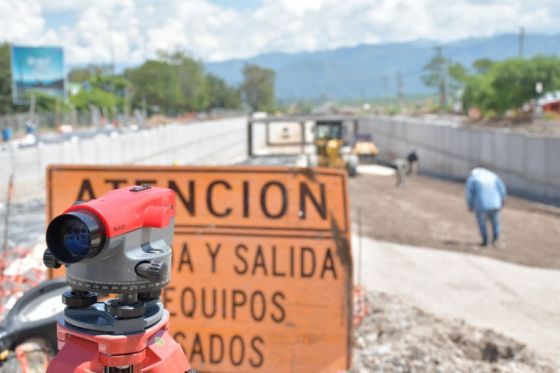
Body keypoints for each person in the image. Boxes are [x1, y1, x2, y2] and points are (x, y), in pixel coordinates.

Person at [465, 167, 507, 247]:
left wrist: (470, 205)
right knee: (495, 223)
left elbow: (469, 193)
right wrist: (502, 201)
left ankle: (485, 241)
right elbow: (502, 190)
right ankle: (495, 240)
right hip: (495, 204)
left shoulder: (473, 179)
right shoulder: (493, 176)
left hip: (481, 205)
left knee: (482, 223)